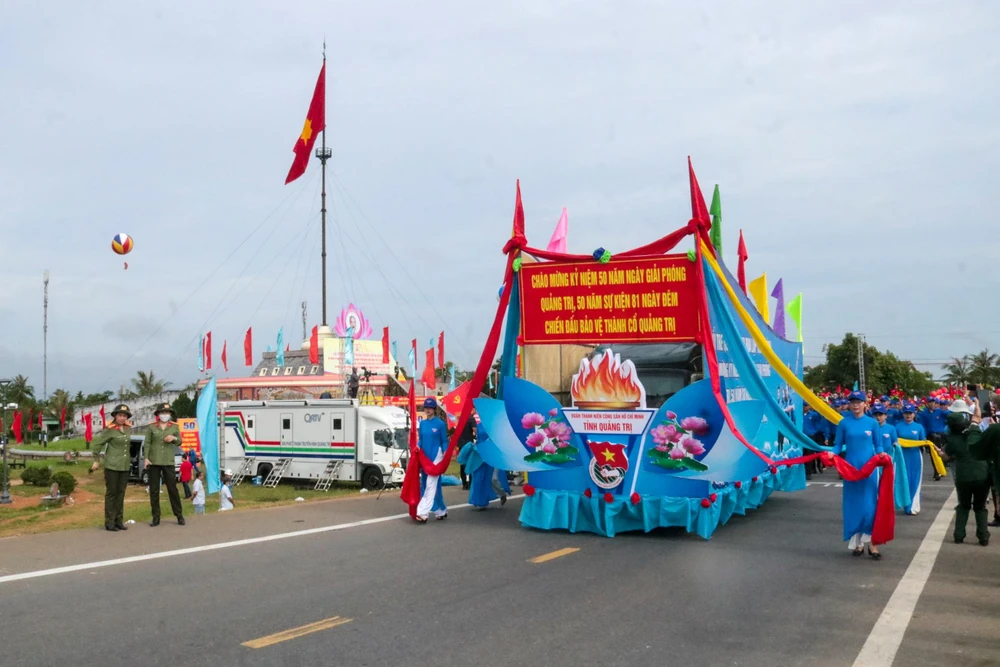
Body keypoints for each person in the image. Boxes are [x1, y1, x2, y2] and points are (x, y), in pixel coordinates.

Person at [833, 391, 883, 559]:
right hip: (850, 469)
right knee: (854, 506)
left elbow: (879, 444)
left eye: (858, 402)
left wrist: (882, 455)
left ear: (865, 404)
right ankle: (858, 544)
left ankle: (873, 544)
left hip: (869, 469)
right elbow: (838, 444)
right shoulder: (843, 423)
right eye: (852, 402)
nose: (855, 405)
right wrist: (832, 455)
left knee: (870, 507)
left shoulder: (872, 423)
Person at [937, 399, 990, 546]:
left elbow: (947, 456)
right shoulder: (975, 430)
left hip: (963, 476)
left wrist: (941, 455)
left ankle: (959, 535)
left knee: (963, 506)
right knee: (980, 507)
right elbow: (977, 418)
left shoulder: (952, 439)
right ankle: (983, 536)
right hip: (981, 474)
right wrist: (977, 406)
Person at [88, 404, 134, 532]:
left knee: (121, 493)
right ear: (115, 416)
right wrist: (96, 460)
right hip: (112, 466)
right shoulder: (110, 429)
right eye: (120, 415)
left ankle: (119, 520)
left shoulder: (128, 429)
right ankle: (109, 522)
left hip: (124, 465)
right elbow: (97, 444)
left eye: (124, 416)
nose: (122, 418)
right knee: (111, 494)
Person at [140, 402, 185, 527]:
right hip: (154, 461)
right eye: (162, 413)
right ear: (158, 414)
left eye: (167, 413)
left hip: (168, 461)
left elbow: (180, 441)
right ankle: (156, 517)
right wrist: (146, 458)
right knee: (154, 490)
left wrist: (174, 438)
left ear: (170, 414)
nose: (165, 415)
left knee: (173, 489)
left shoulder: (174, 427)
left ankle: (179, 515)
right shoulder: (151, 427)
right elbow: (147, 443)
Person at [457, 413, 510, 509]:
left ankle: (502, 493)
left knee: (493, 478)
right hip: (480, 455)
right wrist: (475, 446)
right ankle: (480, 501)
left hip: (493, 455)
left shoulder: (494, 425)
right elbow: (479, 439)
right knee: (478, 477)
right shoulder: (480, 425)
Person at [415, 398, 448, 522]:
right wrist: (418, 446)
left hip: (436, 458)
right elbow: (421, 439)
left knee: (430, 484)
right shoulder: (422, 424)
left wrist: (446, 453)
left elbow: (444, 441)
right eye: (426, 407)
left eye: (430, 407)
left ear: (434, 409)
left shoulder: (440, 424)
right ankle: (441, 509)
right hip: (425, 458)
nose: (427, 409)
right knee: (430, 484)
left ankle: (423, 513)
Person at [896, 404, 927, 515]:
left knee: (915, 480)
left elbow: (923, 441)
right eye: (906, 413)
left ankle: (913, 506)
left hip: (915, 457)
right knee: (904, 480)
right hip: (901, 457)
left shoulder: (919, 427)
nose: (908, 415)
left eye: (910, 413)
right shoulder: (898, 427)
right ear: (903, 414)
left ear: (914, 414)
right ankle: (905, 505)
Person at [456, 413, 476, 490]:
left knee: (462, 463)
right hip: (469, 444)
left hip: (461, 443)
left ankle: (464, 484)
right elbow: (475, 430)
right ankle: (471, 483)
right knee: (471, 462)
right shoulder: (471, 418)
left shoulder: (461, 417)